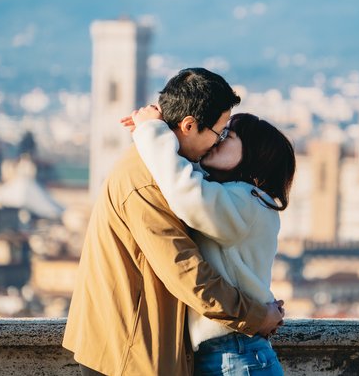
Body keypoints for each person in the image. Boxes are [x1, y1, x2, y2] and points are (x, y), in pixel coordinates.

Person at [63, 68, 284, 376]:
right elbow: (186, 272)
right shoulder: (148, 181)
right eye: (219, 133)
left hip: (134, 346)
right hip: (131, 352)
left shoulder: (162, 170)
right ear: (190, 125)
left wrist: (151, 130)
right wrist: (257, 316)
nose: (217, 142)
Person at [125, 105, 294, 376]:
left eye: (229, 137)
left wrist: (152, 133)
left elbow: (186, 193)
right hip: (233, 353)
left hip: (236, 355)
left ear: (254, 153)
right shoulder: (239, 200)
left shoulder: (247, 201)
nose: (217, 139)